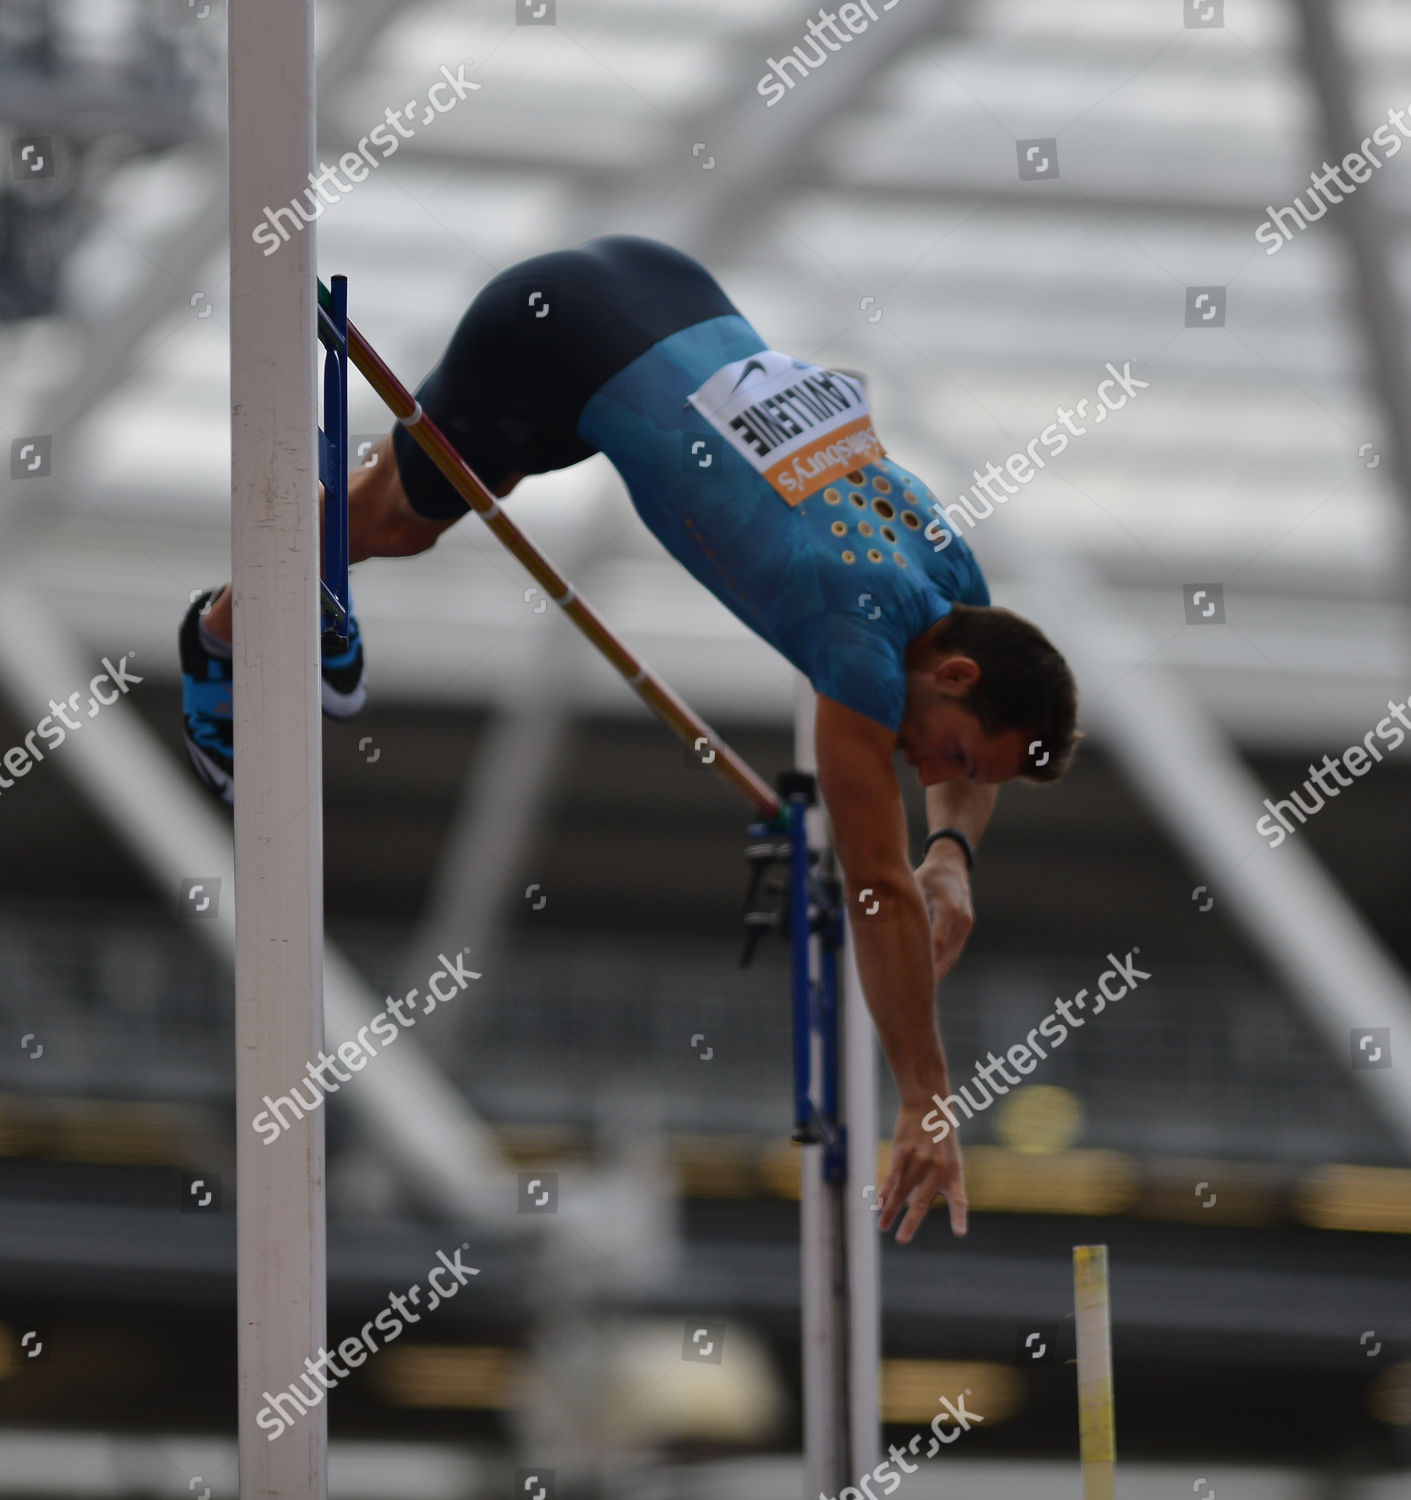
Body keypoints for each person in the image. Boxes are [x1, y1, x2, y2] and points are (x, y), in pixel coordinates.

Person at [180, 234, 1079, 1244]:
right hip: (552, 337)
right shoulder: (854, 633)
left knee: (446, 491)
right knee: (397, 521)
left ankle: (295, 572)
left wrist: (952, 854)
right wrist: (925, 1096)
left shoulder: (951, 575)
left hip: (661, 292)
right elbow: (873, 888)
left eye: (958, 773)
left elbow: (949, 806)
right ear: (953, 675)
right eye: (949, 754)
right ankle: (218, 631)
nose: (932, 772)